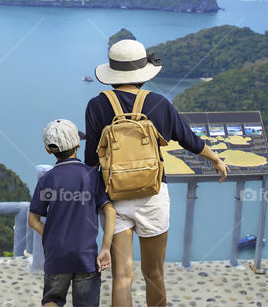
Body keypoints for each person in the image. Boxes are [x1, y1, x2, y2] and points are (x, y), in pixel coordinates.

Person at [85, 39, 228, 307]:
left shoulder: (96, 105)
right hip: (152, 195)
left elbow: (91, 159)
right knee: (154, 274)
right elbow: (189, 140)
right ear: (143, 73)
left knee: (122, 277)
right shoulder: (159, 104)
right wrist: (215, 159)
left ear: (113, 73)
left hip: (113, 199)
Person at [29, 119, 117, 307]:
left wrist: (50, 235)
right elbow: (110, 210)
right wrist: (106, 248)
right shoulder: (92, 176)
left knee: (52, 299)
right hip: (86, 256)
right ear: (78, 144)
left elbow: (33, 219)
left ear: (48, 149)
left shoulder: (47, 180)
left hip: (56, 254)